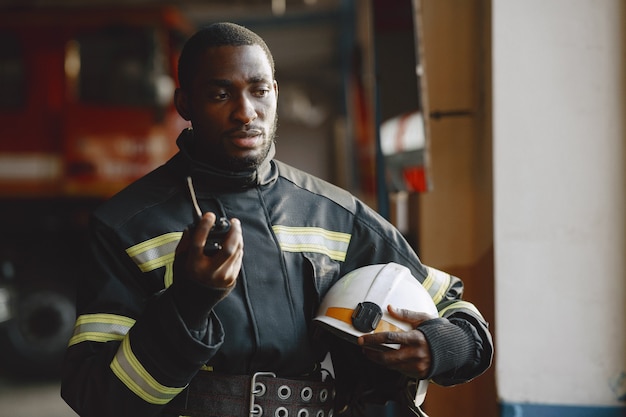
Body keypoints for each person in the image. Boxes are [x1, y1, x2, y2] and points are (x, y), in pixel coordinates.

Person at [61, 22, 493, 417]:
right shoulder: (126, 225)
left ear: (275, 93)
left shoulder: (334, 215)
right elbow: (97, 398)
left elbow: (461, 318)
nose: (245, 112)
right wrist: (187, 304)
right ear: (185, 103)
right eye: (220, 94)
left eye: (259, 90)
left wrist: (440, 346)